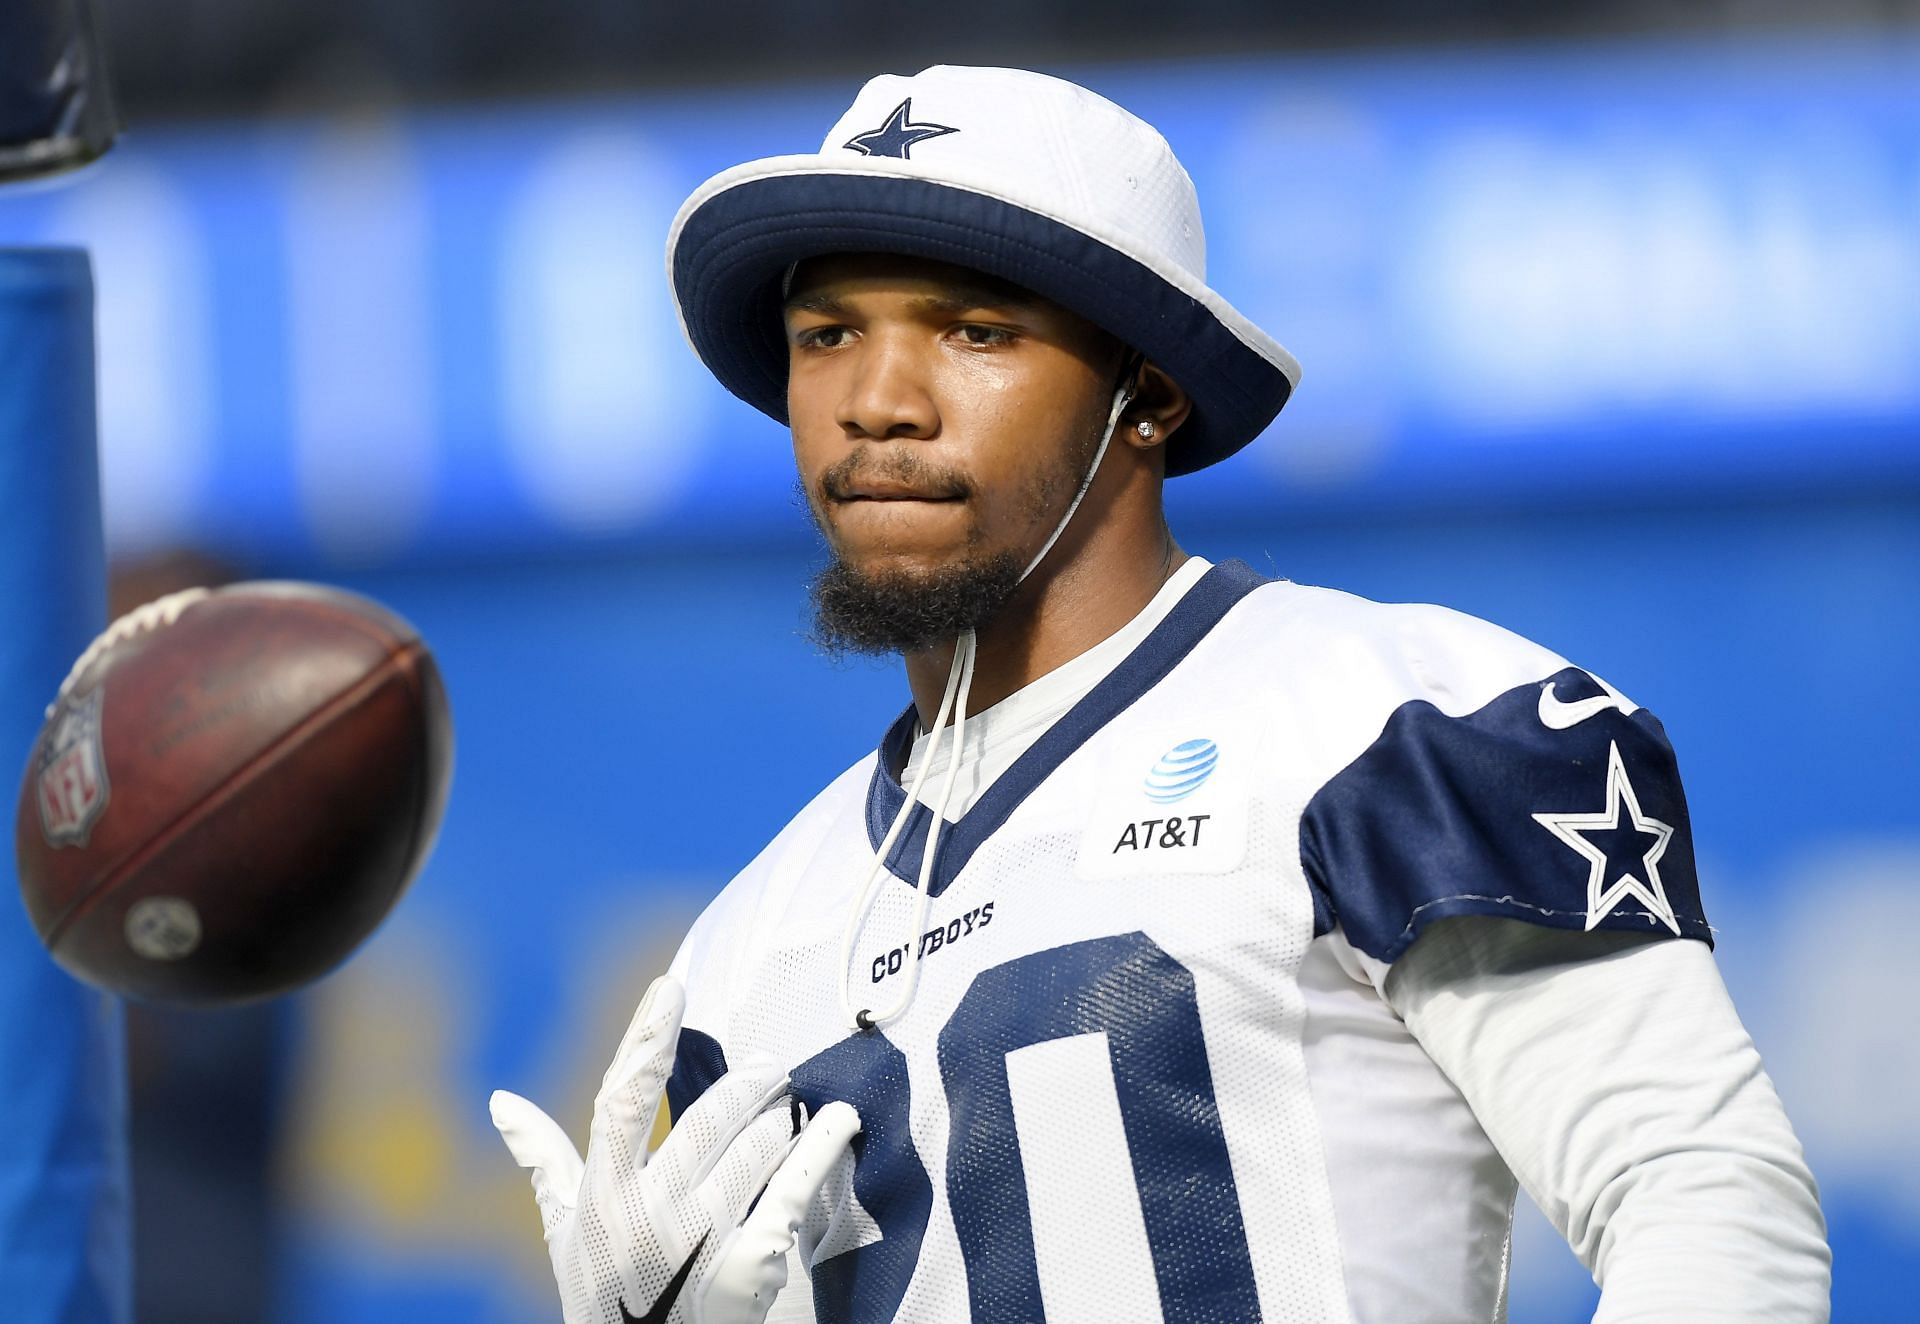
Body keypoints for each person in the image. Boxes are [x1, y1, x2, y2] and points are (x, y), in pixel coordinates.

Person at [491, 65, 1830, 1322]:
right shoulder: (744, 949)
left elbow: (1704, 1199)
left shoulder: (1389, 724)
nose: (878, 402)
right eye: (828, 334)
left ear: (1153, 391)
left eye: (975, 330)